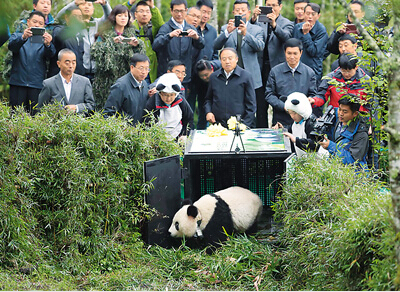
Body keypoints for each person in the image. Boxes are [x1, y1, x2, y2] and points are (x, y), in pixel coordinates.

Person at [214, 0, 264, 128]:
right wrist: (227, 33)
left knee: (251, 108)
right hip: (231, 76)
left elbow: (260, 47)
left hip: (251, 76)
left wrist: (246, 34)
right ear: (233, 13)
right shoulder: (226, 28)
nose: (240, 12)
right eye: (237, 10)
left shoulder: (257, 29)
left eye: (243, 10)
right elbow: (216, 46)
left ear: (248, 12)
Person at [92, 5, 145, 109]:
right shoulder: (105, 33)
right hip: (107, 80)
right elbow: (95, 51)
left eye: (126, 16)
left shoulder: (132, 33)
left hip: (126, 78)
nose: (123, 18)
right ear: (114, 17)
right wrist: (111, 42)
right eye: (120, 15)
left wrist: (136, 46)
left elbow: (139, 58)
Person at [250, 0, 293, 127]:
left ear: (280, 6)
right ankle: (261, 135)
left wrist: (274, 25)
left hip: (278, 69)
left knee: (278, 103)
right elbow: (249, 33)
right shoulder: (259, 21)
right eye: (268, 5)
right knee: (260, 105)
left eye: (274, 5)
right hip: (260, 68)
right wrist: (253, 19)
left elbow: (287, 39)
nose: (271, 8)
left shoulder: (287, 23)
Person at [8, 11, 56, 114]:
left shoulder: (44, 41)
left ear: (44, 25)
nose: (37, 25)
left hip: (36, 85)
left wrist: (48, 44)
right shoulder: (17, 36)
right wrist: (23, 37)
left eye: (40, 23)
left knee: (35, 116)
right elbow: (12, 46)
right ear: (28, 22)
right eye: (34, 21)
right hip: (18, 83)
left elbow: (51, 55)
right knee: (16, 115)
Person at [265, 38, 317, 127]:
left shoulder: (309, 72)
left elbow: (313, 94)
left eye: (295, 53)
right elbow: (269, 94)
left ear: (301, 53)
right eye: (289, 53)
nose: (292, 57)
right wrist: (284, 106)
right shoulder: (275, 71)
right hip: (281, 119)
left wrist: (308, 101)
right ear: (284, 53)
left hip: (302, 120)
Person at [152, 0, 205, 87]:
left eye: (182, 11)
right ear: (171, 11)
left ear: (186, 11)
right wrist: (169, 36)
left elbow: (201, 45)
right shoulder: (165, 28)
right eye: (176, 11)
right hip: (167, 75)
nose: (179, 14)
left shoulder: (190, 28)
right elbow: (155, 46)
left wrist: (196, 37)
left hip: (184, 76)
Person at [56, 0, 112, 81]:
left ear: (93, 9)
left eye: (89, 5)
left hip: (96, 72)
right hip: (79, 71)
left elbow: (110, 17)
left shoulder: (97, 23)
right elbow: (60, 17)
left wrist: (105, 4)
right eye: (83, 4)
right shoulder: (74, 24)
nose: (86, 7)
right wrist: (74, 3)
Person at [204, 48, 256, 128]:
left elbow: (251, 104)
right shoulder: (214, 77)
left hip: (240, 124)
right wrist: (208, 112)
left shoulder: (246, 76)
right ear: (220, 60)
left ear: (236, 59)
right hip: (219, 126)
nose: (227, 62)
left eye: (230, 58)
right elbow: (208, 99)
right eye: (224, 59)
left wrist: (245, 125)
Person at [38, 49, 95, 114]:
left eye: (73, 63)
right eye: (67, 63)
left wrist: (77, 108)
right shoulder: (49, 84)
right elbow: (41, 109)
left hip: (78, 122)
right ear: (59, 64)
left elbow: (91, 105)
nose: (71, 66)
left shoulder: (84, 82)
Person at [319, 96, 369, 169]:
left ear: (355, 114)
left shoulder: (361, 134)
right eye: (339, 109)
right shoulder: (337, 121)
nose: (340, 113)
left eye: (345, 111)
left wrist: (331, 146)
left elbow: (353, 161)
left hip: (354, 175)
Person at [144, 73, 194, 141]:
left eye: (171, 95)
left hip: (177, 134)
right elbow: (147, 123)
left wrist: (185, 134)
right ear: (160, 93)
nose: (168, 98)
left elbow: (189, 117)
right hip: (158, 138)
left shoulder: (181, 101)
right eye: (165, 95)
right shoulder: (152, 103)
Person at [103, 54, 150, 125]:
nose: (144, 72)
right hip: (124, 131)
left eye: (147, 69)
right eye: (141, 68)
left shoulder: (144, 84)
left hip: (139, 131)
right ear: (132, 67)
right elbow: (108, 112)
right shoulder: (121, 85)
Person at [129, 0, 164, 83]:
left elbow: (160, 24)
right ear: (135, 14)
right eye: (141, 11)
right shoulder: (129, 28)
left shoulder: (153, 29)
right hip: (134, 71)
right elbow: (118, 14)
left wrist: (153, 7)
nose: (144, 14)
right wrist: (130, 3)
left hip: (150, 71)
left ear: (151, 15)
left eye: (147, 12)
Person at [292, 3, 328, 85]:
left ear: (318, 16)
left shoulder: (321, 31)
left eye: (313, 14)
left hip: (313, 71)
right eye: (307, 13)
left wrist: (306, 34)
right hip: (297, 68)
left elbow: (313, 52)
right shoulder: (297, 28)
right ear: (304, 14)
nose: (310, 16)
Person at [272, 92, 317, 156]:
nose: (292, 116)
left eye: (295, 113)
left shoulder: (310, 123)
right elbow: (291, 132)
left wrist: (296, 140)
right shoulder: (295, 123)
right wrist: (282, 129)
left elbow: (313, 144)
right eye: (290, 113)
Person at [48, 6, 85, 77]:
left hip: (76, 76)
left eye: (80, 17)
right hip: (59, 76)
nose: (78, 19)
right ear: (67, 18)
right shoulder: (58, 30)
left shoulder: (80, 35)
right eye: (75, 16)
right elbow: (59, 36)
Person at [192, 59, 221, 129]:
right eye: (201, 76)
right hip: (203, 91)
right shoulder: (195, 74)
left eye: (206, 75)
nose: (204, 77)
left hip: (220, 89)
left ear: (212, 70)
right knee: (203, 113)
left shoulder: (220, 67)